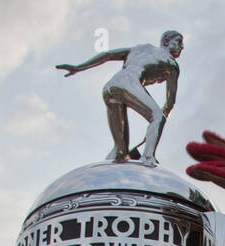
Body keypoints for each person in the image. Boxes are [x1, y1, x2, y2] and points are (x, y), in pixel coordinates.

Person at [57, 31, 183, 167]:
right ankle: (148, 157)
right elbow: (170, 102)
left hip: (110, 87)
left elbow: (107, 55)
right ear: (166, 42)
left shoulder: (141, 48)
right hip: (129, 83)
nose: (182, 47)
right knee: (158, 118)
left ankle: (105, 173)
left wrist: (78, 67)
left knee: (120, 151)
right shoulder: (171, 64)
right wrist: (156, 126)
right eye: (178, 42)